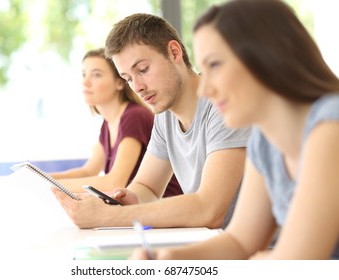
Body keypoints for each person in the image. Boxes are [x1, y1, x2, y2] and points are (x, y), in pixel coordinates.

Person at [131, 0, 339, 260]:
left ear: (266, 56)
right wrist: (171, 258)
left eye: (215, 65)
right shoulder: (265, 141)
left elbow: (295, 263)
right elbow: (240, 242)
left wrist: (265, 260)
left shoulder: (331, 125)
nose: (205, 89)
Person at [52, 13, 250, 229]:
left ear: (174, 52)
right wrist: (126, 199)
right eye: (128, 78)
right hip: (215, 242)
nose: (137, 87)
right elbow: (148, 187)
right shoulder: (165, 116)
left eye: (143, 70)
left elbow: (209, 210)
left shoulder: (222, 104)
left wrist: (105, 217)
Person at [51, 48, 183, 197]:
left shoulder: (134, 116)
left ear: (120, 83)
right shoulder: (108, 124)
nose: (86, 82)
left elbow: (115, 182)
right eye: (84, 74)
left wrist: (50, 186)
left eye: (96, 75)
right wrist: (45, 178)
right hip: (137, 211)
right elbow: (88, 170)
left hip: (161, 211)